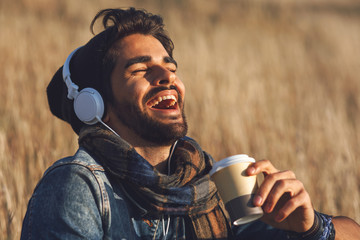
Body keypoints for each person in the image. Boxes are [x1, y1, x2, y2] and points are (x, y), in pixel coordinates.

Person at [21, 7, 359, 240]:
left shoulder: (208, 185)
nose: (166, 77)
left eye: (170, 67)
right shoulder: (78, 187)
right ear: (95, 105)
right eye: (140, 70)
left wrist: (312, 228)